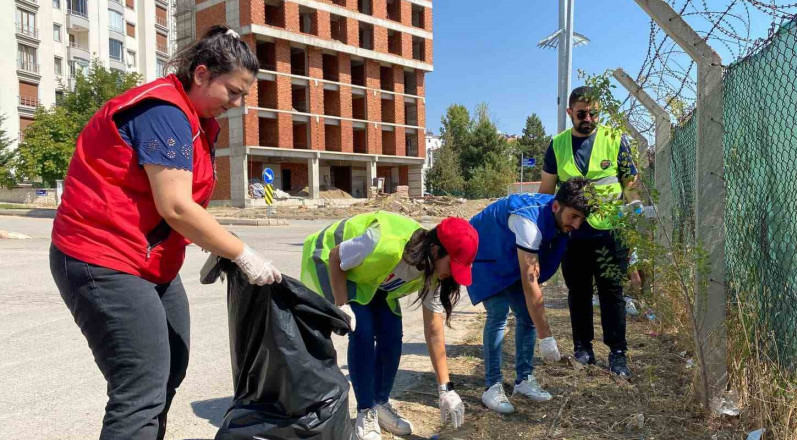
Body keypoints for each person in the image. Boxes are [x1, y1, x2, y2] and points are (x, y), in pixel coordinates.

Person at [49, 26, 283, 440]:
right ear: (201, 74)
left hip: (148, 262)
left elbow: (182, 208)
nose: (238, 104)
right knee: (140, 387)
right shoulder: (163, 112)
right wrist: (242, 252)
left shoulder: (193, 119)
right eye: (232, 91)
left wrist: (221, 244)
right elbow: (175, 206)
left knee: (171, 365)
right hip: (101, 258)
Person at [300, 212, 476, 440]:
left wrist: (446, 389)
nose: (452, 274)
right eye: (452, 265)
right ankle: (366, 411)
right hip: (330, 263)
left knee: (392, 336)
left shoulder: (434, 273)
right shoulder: (385, 242)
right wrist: (342, 305)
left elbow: (434, 330)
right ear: (435, 250)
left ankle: (380, 403)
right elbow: (335, 256)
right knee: (361, 331)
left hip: (373, 282)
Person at [538, 86, 642, 377]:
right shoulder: (557, 145)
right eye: (582, 113)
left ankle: (617, 353)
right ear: (570, 113)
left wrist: (634, 208)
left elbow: (629, 184)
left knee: (612, 292)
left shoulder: (614, 139)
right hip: (572, 235)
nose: (589, 118)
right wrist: (546, 232)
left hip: (610, 233)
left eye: (594, 112)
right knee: (579, 292)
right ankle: (583, 348)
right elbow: (546, 191)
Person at [468, 178, 594, 414]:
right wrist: (547, 338)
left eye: (581, 219)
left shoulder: (557, 215)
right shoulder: (528, 222)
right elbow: (530, 282)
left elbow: (532, 277)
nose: (577, 225)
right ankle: (492, 386)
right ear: (556, 207)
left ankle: (524, 379)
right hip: (486, 250)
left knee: (526, 316)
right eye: (573, 217)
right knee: (498, 314)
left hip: (509, 251)